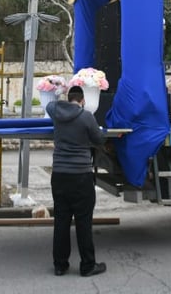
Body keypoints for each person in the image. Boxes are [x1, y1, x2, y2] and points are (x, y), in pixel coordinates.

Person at [45, 85, 107, 277]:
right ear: (83, 100)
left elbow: (50, 104)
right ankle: (88, 265)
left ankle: (60, 265)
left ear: (68, 97)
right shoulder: (86, 116)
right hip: (81, 175)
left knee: (61, 220)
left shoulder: (56, 111)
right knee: (83, 221)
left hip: (60, 175)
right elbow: (99, 139)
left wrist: (58, 91)